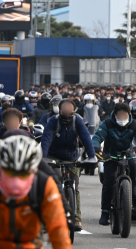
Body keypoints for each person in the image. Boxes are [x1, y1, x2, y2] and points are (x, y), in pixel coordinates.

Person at [92, 102, 136, 225]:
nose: (122, 118)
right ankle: (105, 211)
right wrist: (96, 149)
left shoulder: (133, 124)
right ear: (115, 115)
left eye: (125, 115)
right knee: (108, 181)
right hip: (111, 155)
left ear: (128, 115)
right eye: (120, 115)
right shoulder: (107, 124)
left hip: (128, 154)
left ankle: (133, 187)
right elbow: (97, 137)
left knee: (134, 166)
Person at [40, 99, 97, 231]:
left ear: (73, 110)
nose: (66, 109)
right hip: (54, 157)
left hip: (72, 158)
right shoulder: (53, 121)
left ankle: (76, 218)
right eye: (64, 107)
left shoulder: (78, 121)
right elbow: (46, 138)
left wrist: (92, 156)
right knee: (54, 184)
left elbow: (86, 138)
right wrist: (43, 156)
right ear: (60, 109)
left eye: (69, 107)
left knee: (75, 187)